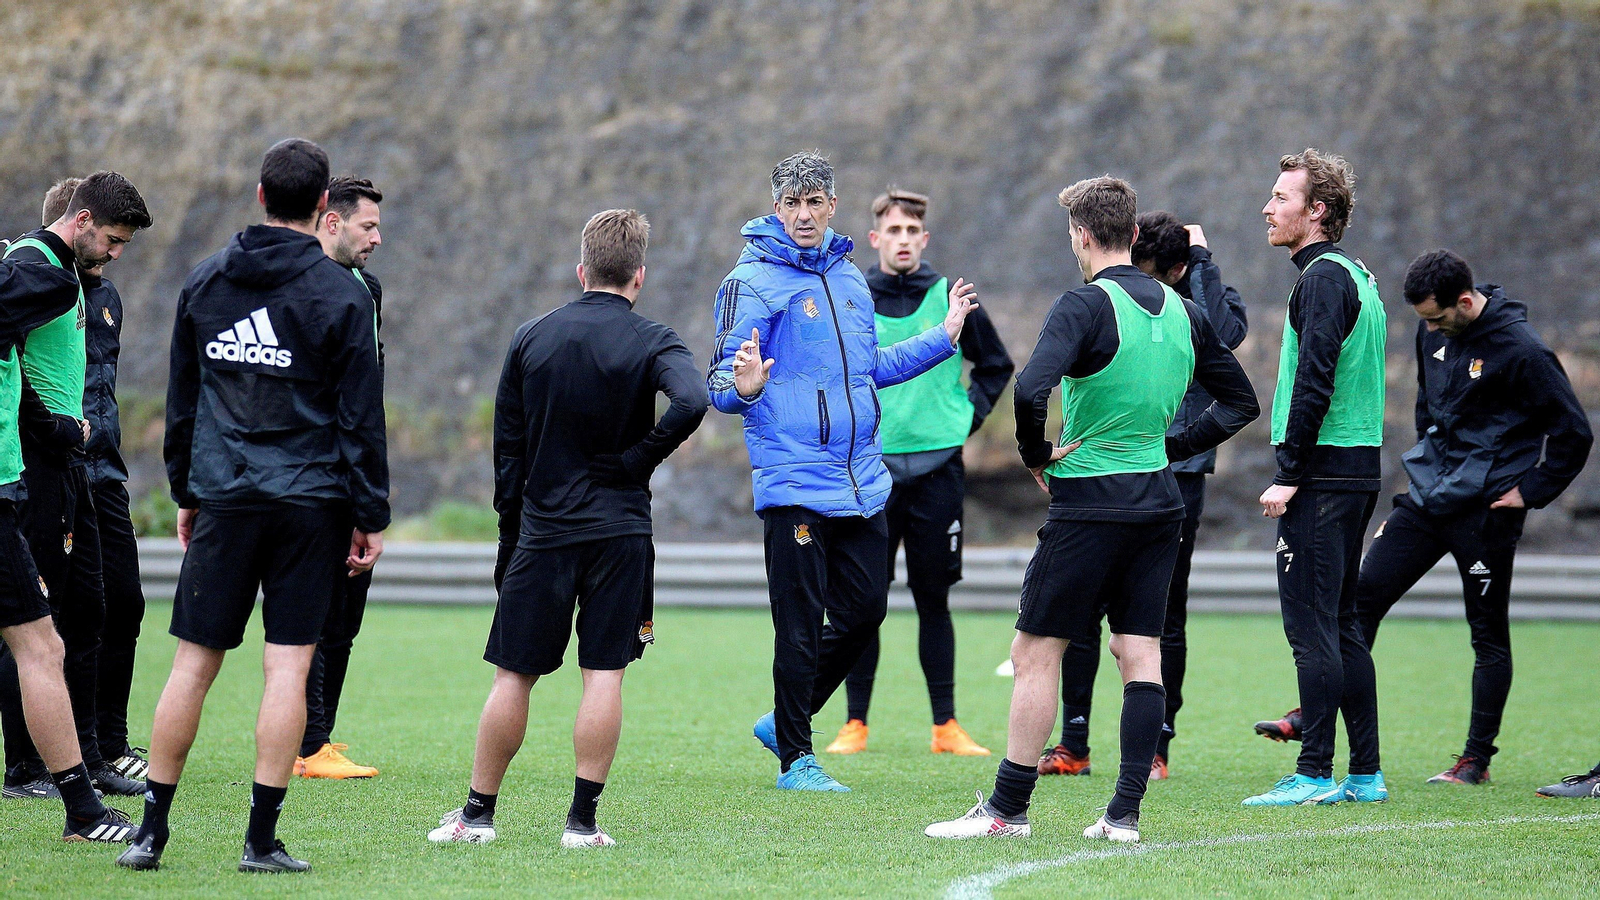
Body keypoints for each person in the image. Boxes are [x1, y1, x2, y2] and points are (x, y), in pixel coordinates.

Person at [924, 176, 1258, 843]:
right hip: (1161, 504)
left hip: (1089, 507)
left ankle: (1007, 811)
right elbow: (1241, 403)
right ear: (1134, 235)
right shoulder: (1184, 310)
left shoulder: (1083, 306)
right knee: (1140, 654)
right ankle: (1122, 814)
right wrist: (1170, 444)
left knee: (1034, 652)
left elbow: (1031, 388)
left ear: (1080, 234)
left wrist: (1035, 455)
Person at [117, 138, 388, 873]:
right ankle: (260, 840)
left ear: (261, 196)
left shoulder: (206, 282)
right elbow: (361, 417)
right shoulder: (342, 295)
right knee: (286, 670)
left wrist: (185, 491)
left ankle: (150, 833)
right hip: (312, 503)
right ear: (322, 208)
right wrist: (372, 513)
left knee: (191, 667)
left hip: (226, 500)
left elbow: (183, 403)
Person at [1253, 249, 1591, 788]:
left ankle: (1474, 760)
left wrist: (1530, 490)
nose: (1430, 329)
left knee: (1487, 635)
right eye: (1423, 320)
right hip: (1428, 501)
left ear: (1465, 300)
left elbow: (1575, 433)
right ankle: (1311, 715)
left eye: (1437, 317)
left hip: (1485, 513)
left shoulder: (1523, 351)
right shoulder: (1432, 333)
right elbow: (1427, 412)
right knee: (1359, 602)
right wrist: (1426, 469)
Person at [429, 209, 707, 848]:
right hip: (621, 531)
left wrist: (509, 534)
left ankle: (476, 817)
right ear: (638, 276)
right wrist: (638, 460)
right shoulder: (654, 339)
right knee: (604, 673)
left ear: (582, 270)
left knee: (513, 675)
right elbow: (691, 402)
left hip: (544, 530)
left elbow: (509, 449)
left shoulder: (532, 336)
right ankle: (581, 824)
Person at [709, 152, 976, 792]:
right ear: (777, 207)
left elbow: (871, 368)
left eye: (815, 201)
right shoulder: (750, 283)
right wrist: (741, 386)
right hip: (795, 479)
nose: (804, 214)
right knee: (798, 625)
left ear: (833, 205)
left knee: (864, 613)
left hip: (862, 481)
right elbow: (721, 380)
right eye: (792, 203)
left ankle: (785, 717)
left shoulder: (850, 278)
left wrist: (943, 335)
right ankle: (797, 759)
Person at [1043, 211, 1249, 781]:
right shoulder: (1121, 300)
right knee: (1078, 613)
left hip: (1174, 475)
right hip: (1108, 470)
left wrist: (1203, 264)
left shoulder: (1197, 302)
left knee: (1160, 619)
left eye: (1154, 270)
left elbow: (1227, 337)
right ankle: (1074, 740)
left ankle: (1158, 743)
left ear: (1179, 268)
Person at [823, 188, 1013, 758]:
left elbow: (996, 364)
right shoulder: (851, 296)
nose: (903, 240)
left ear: (924, 240)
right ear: (876, 238)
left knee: (934, 599)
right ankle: (854, 724)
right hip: (869, 473)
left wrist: (965, 419)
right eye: (894, 231)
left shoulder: (951, 297)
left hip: (938, 472)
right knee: (862, 602)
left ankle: (945, 727)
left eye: (913, 231)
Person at [1242, 149, 1388, 808]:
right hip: (1357, 467)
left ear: (1317, 210)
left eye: (1280, 197)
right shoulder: (1357, 274)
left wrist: (1290, 472)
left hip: (1325, 474)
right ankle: (1366, 774)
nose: (1268, 208)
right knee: (1344, 624)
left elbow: (1314, 380)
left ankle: (1313, 772)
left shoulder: (1323, 279)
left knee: (1312, 628)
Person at [0, 173, 152, 802]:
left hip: (69, 467)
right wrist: (55, 425)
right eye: (113, 240)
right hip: (36, 468)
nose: (116, 254)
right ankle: (30, 768)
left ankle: (86, 757)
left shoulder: (66, 276)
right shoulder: (42, 271)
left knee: (88, 610)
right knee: (37, 622)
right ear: (82, 218)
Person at [297, 176, 386, 780]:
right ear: (332, 222)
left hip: (355, 472)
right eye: (368, 226)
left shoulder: (367, 287)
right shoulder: (305, 285)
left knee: (345, 615)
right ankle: (306, 744)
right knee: (318, 609)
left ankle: (321, 734)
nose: (378, 237)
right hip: (318, 476)